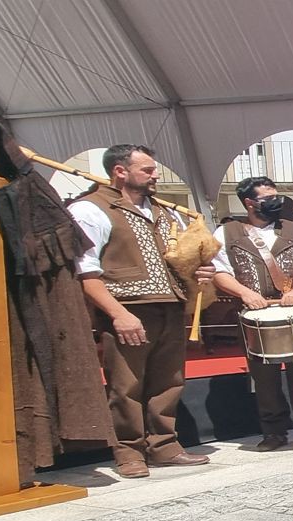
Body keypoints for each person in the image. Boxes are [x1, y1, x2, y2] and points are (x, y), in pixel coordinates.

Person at [69, 144, 209, 477]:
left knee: (169, 381)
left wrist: (197, 272)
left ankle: (164, 445)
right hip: (127, 308)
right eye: (147, 170)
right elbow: (85, 272)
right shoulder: (91, 210)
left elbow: (180, 262)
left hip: (170, 306)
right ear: (120, 171)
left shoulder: (165, 211)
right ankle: (128, 451)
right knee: (126, 385)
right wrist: (118, 314)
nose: (155, 175)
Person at [210, 176, 293, 451]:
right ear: (249, 203)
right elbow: (219, 272)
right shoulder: (226, 233)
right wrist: (245, 293)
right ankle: (274, 431)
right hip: (254, 314)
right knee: (263, 375)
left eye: (276, 196)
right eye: (268, 199)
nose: (275, 202)